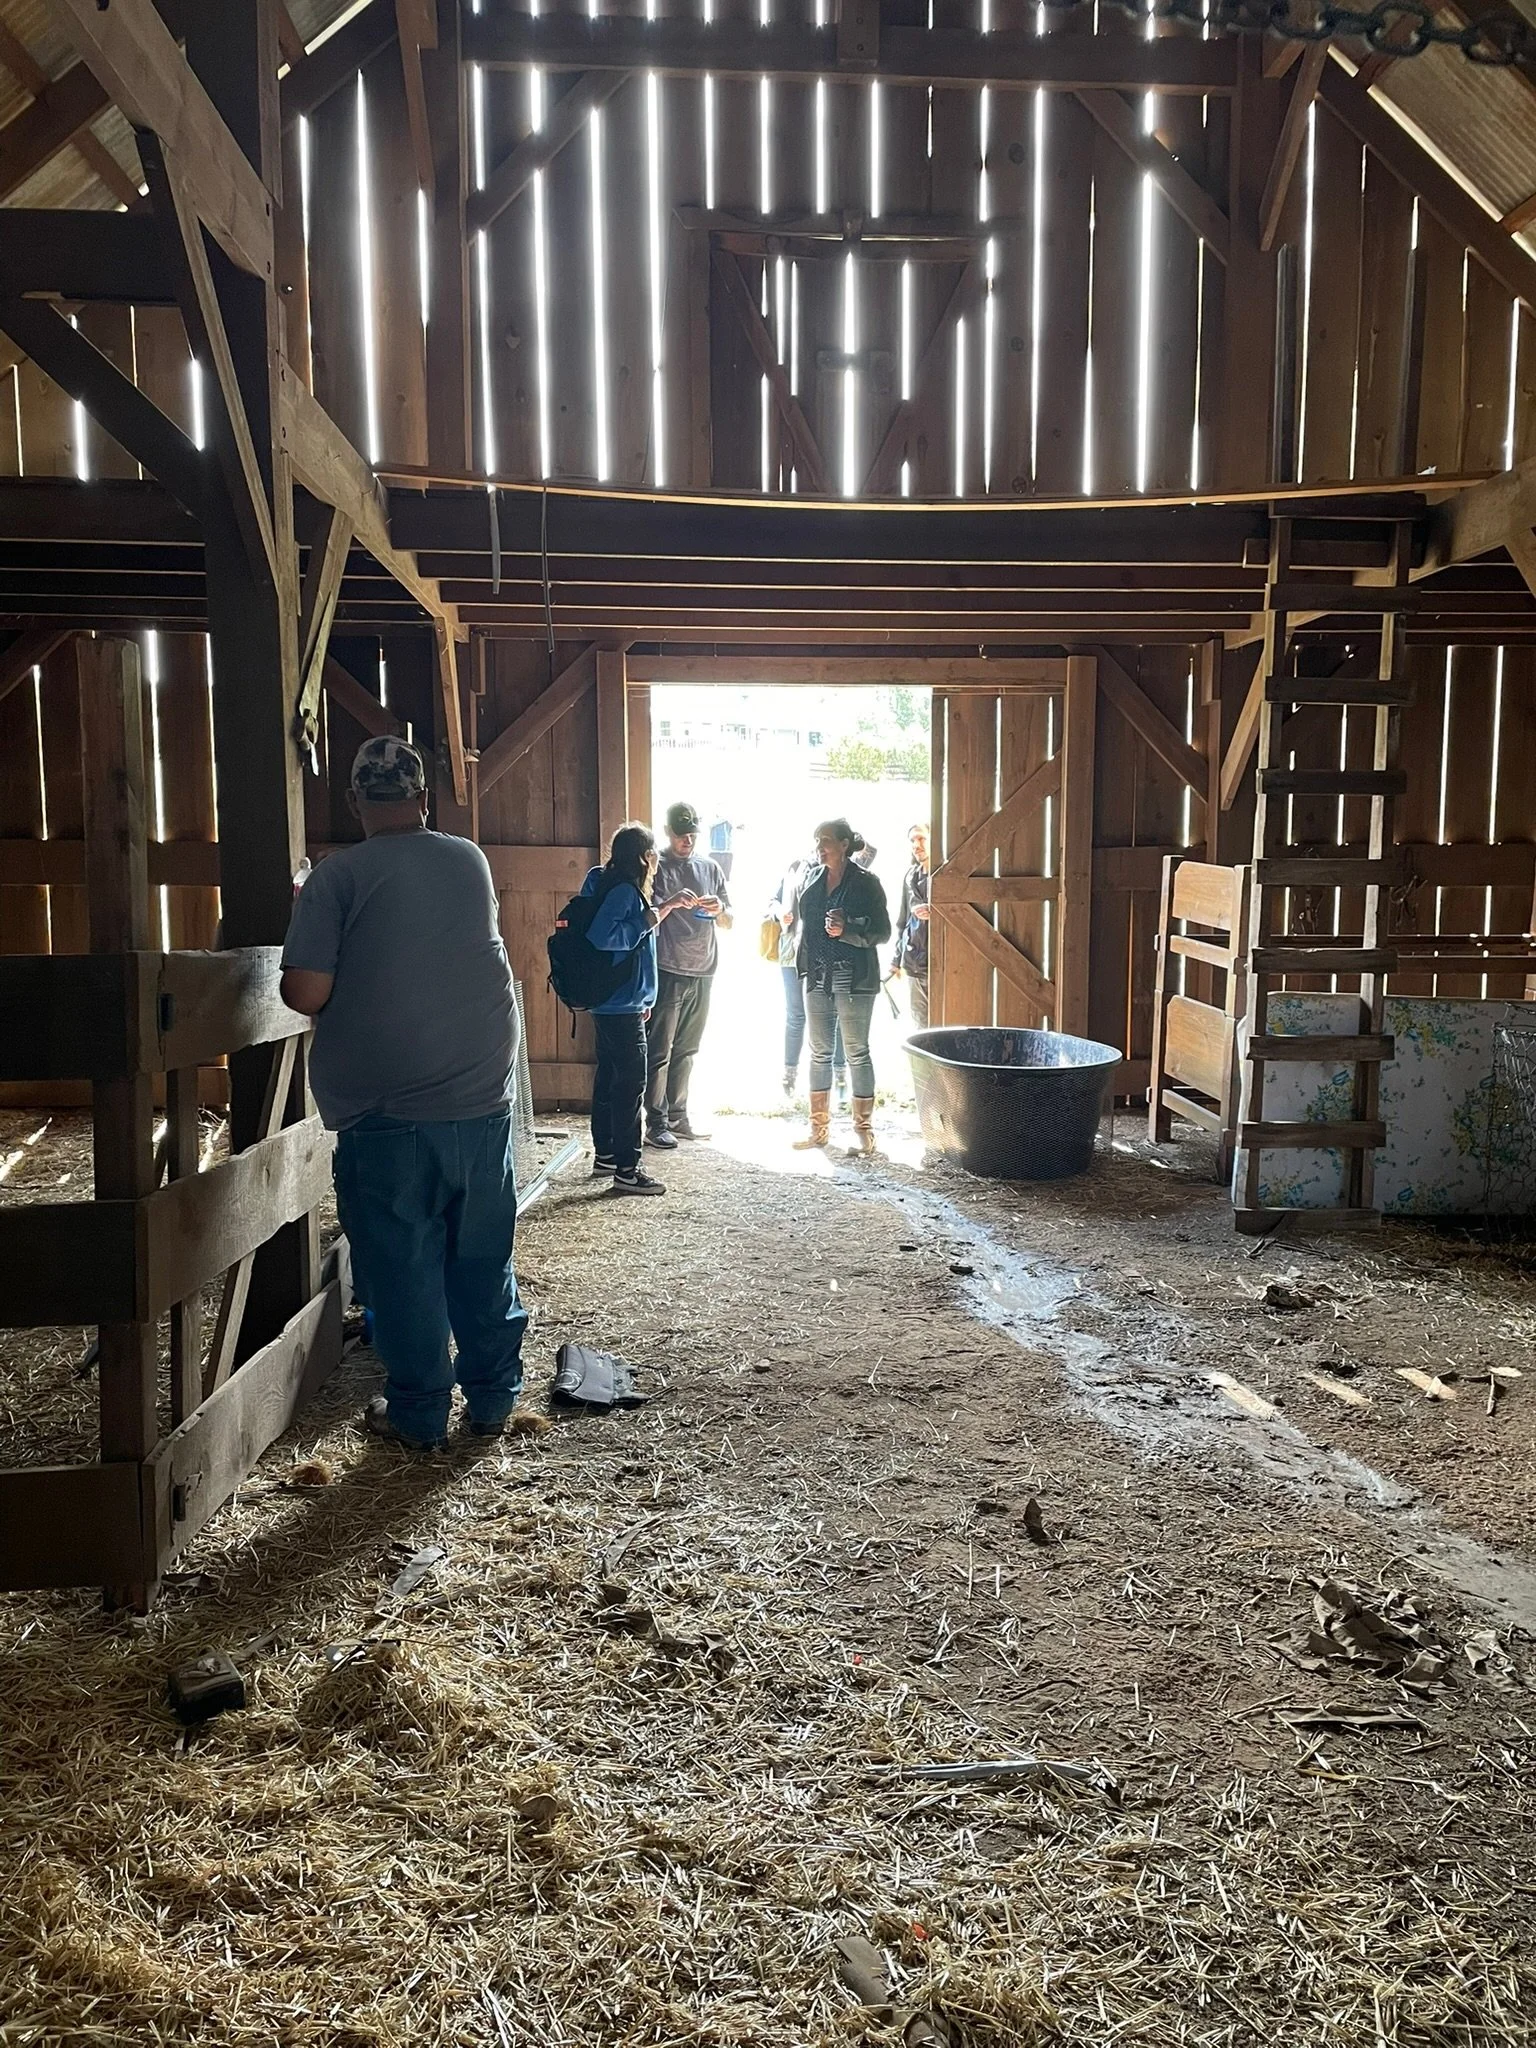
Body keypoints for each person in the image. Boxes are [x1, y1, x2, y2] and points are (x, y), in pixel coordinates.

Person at [279, 736, 525, 1451]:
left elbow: (305, 989)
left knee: (402, 1264)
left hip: (387, 1112)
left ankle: (419, 1414)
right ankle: (492, 1399)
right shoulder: (467, 859)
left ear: (357, 802)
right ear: (423, 798)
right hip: (479, 1102)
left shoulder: (338, 877)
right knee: (481, 1256)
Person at [582, 823, 697, 1195]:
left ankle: (607, 1155)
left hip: (614, 1000)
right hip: (620, 1003)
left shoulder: (601, 881)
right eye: (654, 855)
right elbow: (603, 937)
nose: (657, 861)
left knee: (610, 1076)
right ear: (645, 857)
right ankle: (628, 1169)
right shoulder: (625, 892)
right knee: (631, 1083)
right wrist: (648, 918)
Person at [792, 817, 892, 1157]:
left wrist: (847, 928)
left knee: (856, 1051)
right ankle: (818, 1129)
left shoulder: (866, 883)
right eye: (817, 840)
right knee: (819, 1051)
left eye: (826, 840)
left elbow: (883, 931)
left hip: (854, 977)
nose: (820, 846)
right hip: (818, 975)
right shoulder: (813, 878)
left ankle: (864, 1132)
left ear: (845, 845)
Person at [644, 800, 732, 1149]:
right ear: (668, 832)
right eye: (681, 835)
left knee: (688, 1048)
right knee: (660, 1049)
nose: (688, 841)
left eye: (692, 834)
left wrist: (720, 909)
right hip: (669, 968)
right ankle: (656, 1121)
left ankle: (679, 1116)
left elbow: (729, 919)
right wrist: (672, 903)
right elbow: (645, 916)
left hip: (704, 968)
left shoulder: (710, 867)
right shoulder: (657, 867)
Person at [771, 845, 851, 1105]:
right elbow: (773, 900)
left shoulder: (835, 873)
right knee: (796, 1015)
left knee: (832, 1015)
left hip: (823, 953)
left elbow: (868, 854)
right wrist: (779, 913)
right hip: (791, 953)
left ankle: (839, 1076)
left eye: (824, 842)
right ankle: (789, 1076)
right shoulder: (794, 869)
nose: (817, 848)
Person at [890, 821, 933, 1030]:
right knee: (920, 1026)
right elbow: (902, 921)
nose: (916, 845)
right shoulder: (910, 877)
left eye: (922, 838)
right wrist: (895, 960)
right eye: (912, 840)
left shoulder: (943, 878)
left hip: (941, 966)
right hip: (914, 962)